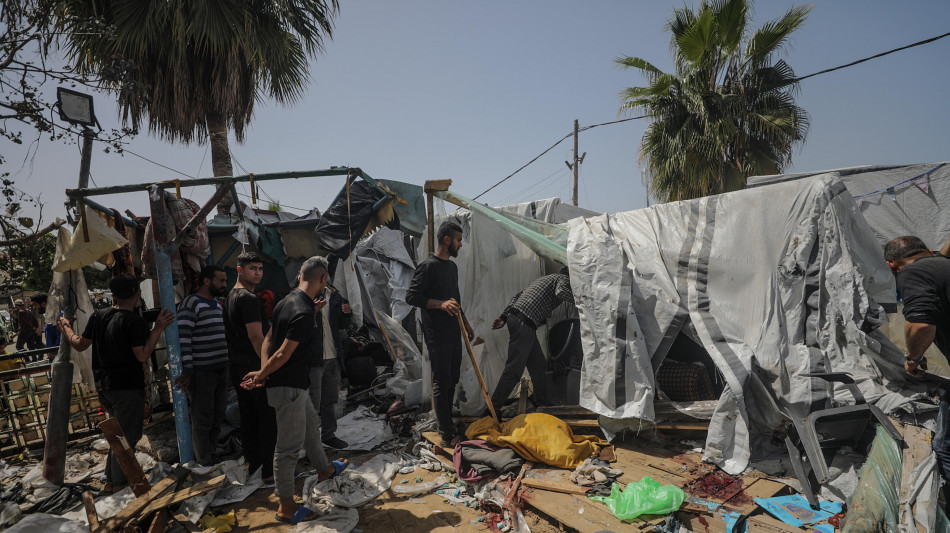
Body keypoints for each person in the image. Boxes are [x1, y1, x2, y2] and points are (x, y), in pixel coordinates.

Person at [241, 256, 347, 524]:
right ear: (322, 279)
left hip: (292, 385)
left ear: (300, 276)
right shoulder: (302, 311)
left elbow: (268, 339)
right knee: (287, 450)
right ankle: (285, 506)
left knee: (312, 427)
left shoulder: (287, 303)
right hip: (289, 388)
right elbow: (283, 354)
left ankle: (324, 470)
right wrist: (263, 373)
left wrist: (263, 372)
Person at [58, 274, 173, 493]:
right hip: (127, 389)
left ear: (113, 296)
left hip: (105, 388)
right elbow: (142, 355)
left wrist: (65, 327)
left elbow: (80, 345)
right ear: (138, 295)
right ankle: (120, 484)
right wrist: (158, 328)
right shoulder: (134, 322)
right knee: (126, 438)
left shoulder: (99, 316)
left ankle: (111, 481)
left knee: (117, 436)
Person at [884, 235, 950, 486]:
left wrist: (914, 358)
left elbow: (921, 324)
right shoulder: (942, 265)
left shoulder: (912, 273)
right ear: (927, 250)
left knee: (945, 448)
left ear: (891, 265)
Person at [406, 220, 474, 447]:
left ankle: (448, 422)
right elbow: (412, 297)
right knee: (442, 382)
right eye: (458, 240)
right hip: (437, 334)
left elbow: (455, 299)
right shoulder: (428, 266)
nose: (460, 245)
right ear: (447, 240)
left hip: (454, 331)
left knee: (452, 380)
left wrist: (465, 322)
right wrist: (440, 304)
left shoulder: (451, 267)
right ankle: (446, 433)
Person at [223, 252, 277, 483]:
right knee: (266, 418)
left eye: (260, 269)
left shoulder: (231, 297)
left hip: (236, 364)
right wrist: (266, 369)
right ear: (239, 270)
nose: (257, 272)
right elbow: (257, 337)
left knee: (249, 417)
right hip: (252, 365)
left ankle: (254, 463)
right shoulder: (248, 299)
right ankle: (269, 472)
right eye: (252, 268)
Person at [489, 268, 574, 414]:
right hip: (524, 322)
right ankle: (492, 409)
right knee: (514, 370)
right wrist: (581, 299)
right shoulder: (563, 279)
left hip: (518, 319)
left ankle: (543, 403)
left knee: (538, 365)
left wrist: (503, 317)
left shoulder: (544, 280)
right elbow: (561, 292)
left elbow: (517, 296)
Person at [175, 265, 230, 466]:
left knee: (217, 416)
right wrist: (188, 370)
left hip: (220, 368)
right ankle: (204, 460)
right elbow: (184, 338)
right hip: (202, 372)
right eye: (221, 281)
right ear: (207, 281)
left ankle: (211, 453)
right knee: (202, 418)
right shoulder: (192, 303)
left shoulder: (217, 305)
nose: (224, 285)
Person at [309, 283, 351, 450]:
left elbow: (343, 325)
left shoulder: (334, 295)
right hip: (314, 359)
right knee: (312, 402)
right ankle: (311, 441)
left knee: (330, 399)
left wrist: (347, 315)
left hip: (333, 355)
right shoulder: (303, 296)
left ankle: (328, 435)